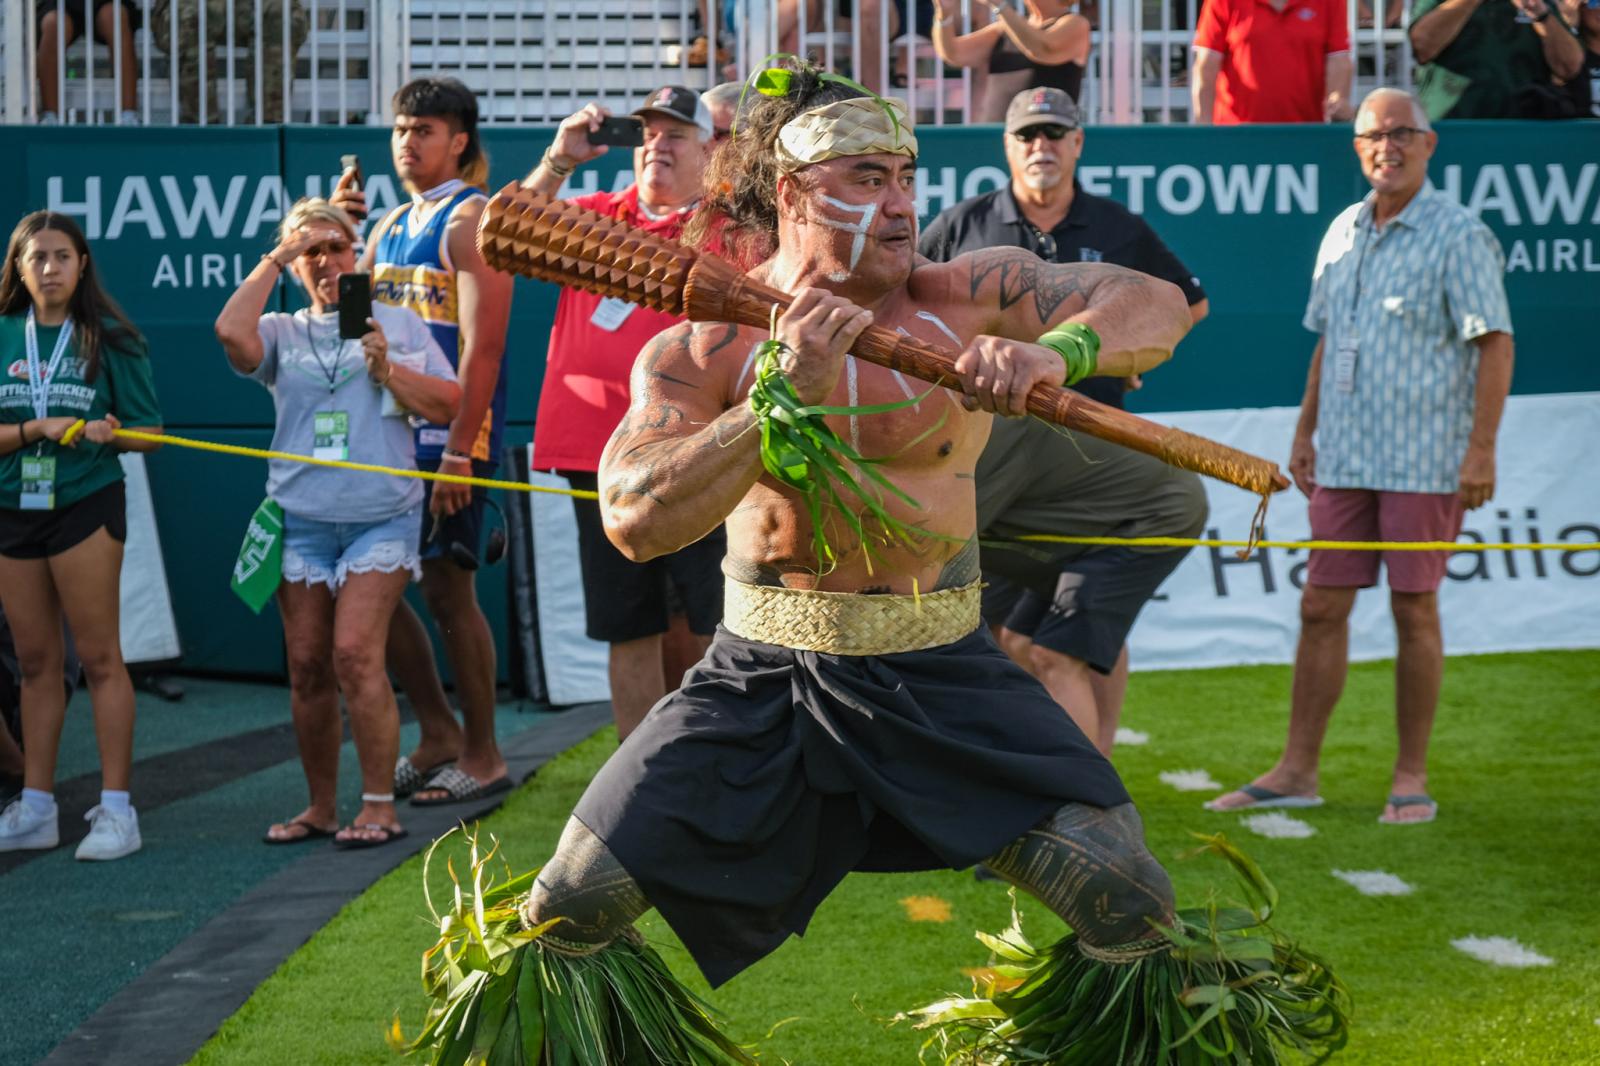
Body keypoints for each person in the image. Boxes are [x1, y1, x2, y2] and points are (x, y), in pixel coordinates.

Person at [526, 58, 1194, 1028]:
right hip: (762, 672)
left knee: (1129, 896)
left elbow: (1156, 302)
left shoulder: (966, 293)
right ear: (794, 193)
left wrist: (1060, 352)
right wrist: (774, 398)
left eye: (905, 178)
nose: (898, 205)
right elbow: (635, 519)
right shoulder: (703, 348)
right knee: (568, 909)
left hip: (943, 665)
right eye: (866, 180)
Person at [1205, 89, 1514, 826]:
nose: (1389, 148)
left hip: (1425, 459)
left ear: (1429, 144)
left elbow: (1494, 342)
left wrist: (1481, 451)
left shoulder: (1458, 233)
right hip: (1342, 455)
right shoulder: (1343, 231)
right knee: (1319, 607)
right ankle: (1296, 770)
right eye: (1374, 136)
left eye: (1403, 133)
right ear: (1358, 149)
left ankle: (1410, 777)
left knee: (1414, 611)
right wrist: (1306, 433)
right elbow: (1325, 342)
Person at [920, 86, 1209, 752]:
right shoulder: (962, 226)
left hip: (1091, 460)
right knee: (1008, 638)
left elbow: (1185, 304)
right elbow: (920, 322)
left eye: (1055, 134)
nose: (1041, 147)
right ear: (1007, 146)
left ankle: (1095, 777)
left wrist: (1127, 354)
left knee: (1079, 641)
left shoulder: (1116, 225)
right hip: (990, 453)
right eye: (1028, 136)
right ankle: (1067, 783)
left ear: (1078, 144)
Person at [214, 198, 460, 848]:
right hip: (300, 522)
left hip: (381, 519)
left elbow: (449, 402)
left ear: (358, 255)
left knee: (353, 654)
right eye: (309, 251)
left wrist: (390, 369)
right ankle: (321, 807)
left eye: (335, 247)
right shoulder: (281, 330)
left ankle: (378, 806)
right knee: (306, 665)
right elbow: (228, 334)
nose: (324, 261)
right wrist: (276, 255)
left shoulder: (399, 324)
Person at [518, 86, 726, 741]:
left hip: (697, 448)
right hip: (598, 454)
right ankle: (640, 776)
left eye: (676, 135)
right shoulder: (599, 214)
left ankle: (712, 755)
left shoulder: (730, 230)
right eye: (648, 134)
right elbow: (504, 232)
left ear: (709, 150)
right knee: (627, 623)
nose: (656, 145)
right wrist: (559, 160)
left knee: (716, 621)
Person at [331, 78, 515, 807]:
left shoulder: (472, 219)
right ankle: (437, 732)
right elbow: (353, 328)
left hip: (450, 437)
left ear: (459, 140)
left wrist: (461, 450)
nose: (408, 143)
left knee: (448, 592)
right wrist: (348, 244)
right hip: (390, 433)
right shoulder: (388, 224)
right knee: (379, 586)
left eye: (424, 130)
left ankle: (485, 751)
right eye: (401, 129)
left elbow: (487, 350)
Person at [0, 210, 162, 861]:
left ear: (82, 264)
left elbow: (148, 431)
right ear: (17, 267)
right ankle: (36, 807)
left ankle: (118, 811)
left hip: (85, 504)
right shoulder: (5, 333)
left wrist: (109, 432)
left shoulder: (110, 336)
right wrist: (34, 430)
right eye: (36, 257)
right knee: (36, 666)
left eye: (62, 256)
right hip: (12, 505)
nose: (49, 269)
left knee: (99, 659)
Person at [1409, 0, 1583, 118]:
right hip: (1455, 127)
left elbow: (1570, 68)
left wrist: (1541, 15)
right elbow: (1422, 48)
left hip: (1525, 131)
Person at [1191, 0, 1354, 123]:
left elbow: (1338, 58)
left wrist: (1338, 98)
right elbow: (1206, 66)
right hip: (1236, 135)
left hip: (1305, 134)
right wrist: (1203, 127)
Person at [150, 0, 309, 123]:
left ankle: (266, 128)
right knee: (186, 15)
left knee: (282, 12)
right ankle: (201, 129)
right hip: (192, 8)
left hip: (246, 7)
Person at [929, 0, 1091, 121]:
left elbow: (1043, 48)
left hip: (1045, 137)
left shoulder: (1076, 24)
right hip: (999, 137)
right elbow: (953, 53)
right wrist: (944, 14)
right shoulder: (1005, 28)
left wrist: (1000, 5)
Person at [36, 0, 140, 125]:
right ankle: (50, 118)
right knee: (53, 23)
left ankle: (128, 116)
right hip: (61, 5)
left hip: (106, 4)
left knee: (115, 16)